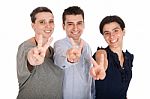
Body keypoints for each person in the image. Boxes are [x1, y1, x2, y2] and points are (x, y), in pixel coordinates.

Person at [16, 7, 64, 99]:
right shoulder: (26, 47)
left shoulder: (53, 51)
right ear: (33, 26)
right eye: (42, 22)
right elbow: (31, 58)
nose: (48, 25)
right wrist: (33, 59)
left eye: (51, 21)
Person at [53, 6, 95, 99]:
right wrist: (69, 59)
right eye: (70, 24)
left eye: (79, 23)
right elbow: (59, 61)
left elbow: (89, 78)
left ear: (84, 25)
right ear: (64, 26)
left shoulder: (87, 46)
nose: (75, 28)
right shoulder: (59, 44)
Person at [90, 15, 134, 99]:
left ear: (123, 32)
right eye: (107, 33)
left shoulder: (129, 58)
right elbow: (101, 58)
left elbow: (123, 90)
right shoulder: (101, 53)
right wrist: (101, 67)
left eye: (115, 31)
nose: (111, 36)